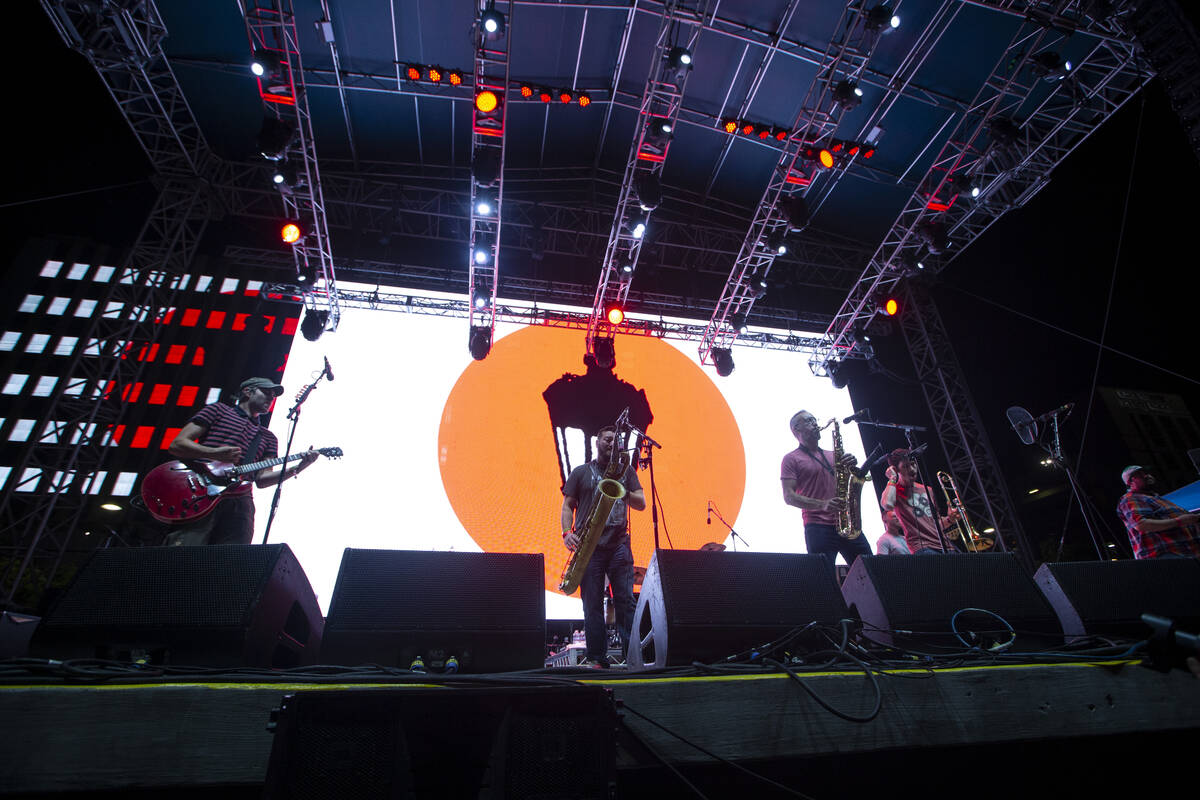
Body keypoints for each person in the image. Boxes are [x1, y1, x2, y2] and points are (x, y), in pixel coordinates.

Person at [164, 377, 318, 546]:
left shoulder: (268, 438)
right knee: (186, 547)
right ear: (247, 391)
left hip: (240, 501)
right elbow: (177, 445)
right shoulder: (218, 411)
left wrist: (298, 468)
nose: (271, 397)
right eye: (266, 392)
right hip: (202, 493)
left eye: (273, 395)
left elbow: (262, 480)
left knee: (232, 559)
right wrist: (214, 453)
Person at [561, 425, 646, 668]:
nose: (612, 443)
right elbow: (568, 506)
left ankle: (633, 658)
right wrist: (567, 533)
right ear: (598, 441)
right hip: (590, 545)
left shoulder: (626, 472)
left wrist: (621, 490)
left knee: (625, 601)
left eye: (615, 440)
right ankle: (597, 658)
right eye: (607, 439)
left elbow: (640, 503)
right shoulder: (580, 472)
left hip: (618, 542)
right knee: (592, 604)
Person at [781, 410, 871, 568]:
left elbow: (849, 481)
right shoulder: (791, 459)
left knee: (871, 570)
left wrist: (852, 466)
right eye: (809, 421)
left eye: (815, 420)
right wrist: (822, 504)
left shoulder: (834, 455)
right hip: (818, 527)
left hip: (848, 522)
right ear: (796, 429)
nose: (815, 423)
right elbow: (789, 497)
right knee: (823, 580)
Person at [880, 448, 959, 554]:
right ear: (896, 469)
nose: (912, 469)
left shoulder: (927, 489)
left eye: (913, 464)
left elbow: (936, 523)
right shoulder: (895, 490)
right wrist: (892, 478)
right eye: (906, 466)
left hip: (945, 545)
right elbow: (887, 505)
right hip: (922, 548)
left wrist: (950, 519)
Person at [1116, 465, 1200, 559]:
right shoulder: (1130, 498)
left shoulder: (1157, 499)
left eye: (1146, 473)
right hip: (1165, 556)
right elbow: (1141, 524)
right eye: (1140, 475)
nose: (1146, 476)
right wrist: (1180, 521)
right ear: (1130, 483)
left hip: (1187, 553)